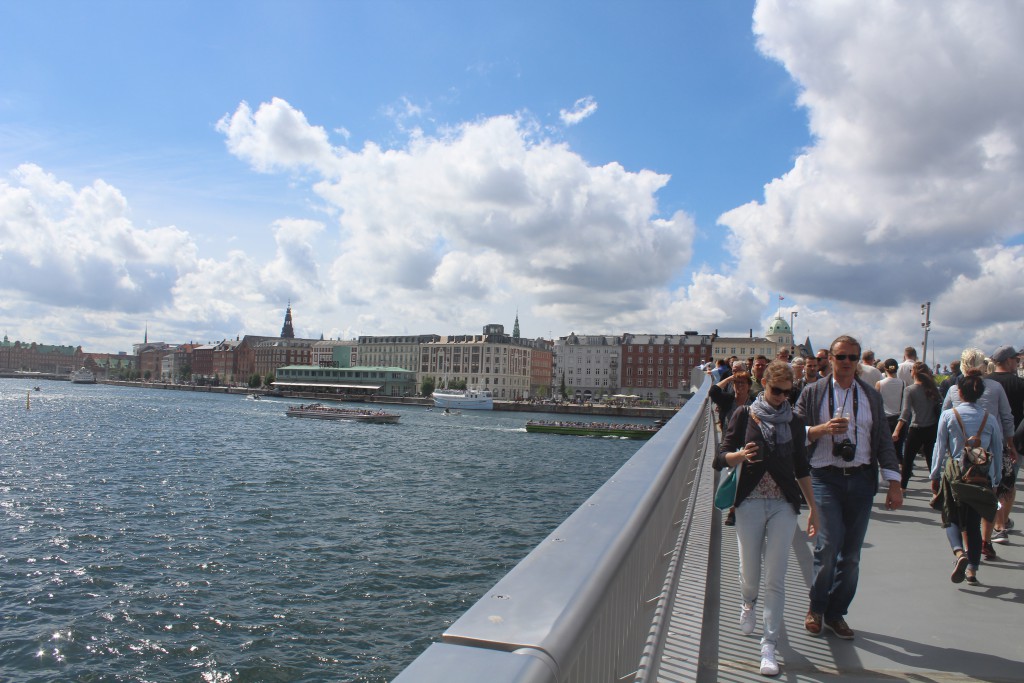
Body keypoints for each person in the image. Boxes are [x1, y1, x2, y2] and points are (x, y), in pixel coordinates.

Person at [795, 335, 902, 640]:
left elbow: (882, 440)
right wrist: (820, 430)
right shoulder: (814, 392)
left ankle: (836, 612)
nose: (846, 363)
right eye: (841, 357)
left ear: (858, 362)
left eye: (852, 358)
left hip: (860, 478)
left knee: (851, 554)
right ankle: (816, 606)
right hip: (825, 476)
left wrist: (894, 482)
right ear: (830, 358)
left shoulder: (870, 395)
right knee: (828, 546)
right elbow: (795, 429)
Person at [716, 361, 819, 676]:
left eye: (787, 393)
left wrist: (813, 507)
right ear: (764, 384)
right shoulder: (744, 414)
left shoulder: (794, 420)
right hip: (748, 502)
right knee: (750, 571)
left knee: (776, 575)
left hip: (783, 505)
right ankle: (748, 601)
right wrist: (738, 457)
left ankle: (769, 644)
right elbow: (720, 457)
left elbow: (801, 467)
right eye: (776, 391)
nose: (781, 398)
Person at [941, 348, 1015, 560]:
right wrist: (1009, 444)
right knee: (989, 497)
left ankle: (966, 546)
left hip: (960, 456)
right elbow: (1006, 418)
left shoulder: (955, 389)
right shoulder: (995, 387)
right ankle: (985, 541)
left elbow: (943, 416)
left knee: (962, 499)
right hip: (989, 453)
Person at [930, 375, 1003, 585]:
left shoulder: (949, 415)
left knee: (950, 515)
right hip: (980, 473)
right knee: (973, 522)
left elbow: (939, 446)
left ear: (959, 393)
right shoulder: (989, 418)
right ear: (981, 394)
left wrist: (934, 474)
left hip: (955, 471)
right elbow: (996, 449)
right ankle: (972, 569)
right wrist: (995, 479)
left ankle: (958, 552)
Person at [987, 345, 1022, 543]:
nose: (1017, 363)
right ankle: (1003, 521)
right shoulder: (1020, 384)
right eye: (1016, 360)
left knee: (992, 483)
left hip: (988, 440)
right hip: (1014, 440)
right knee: (1008, 485)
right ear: (1009, 360)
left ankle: (992, 520)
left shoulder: (986, 382)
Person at [893, 362, 942, 490]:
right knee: (931, 459)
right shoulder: (933, 388)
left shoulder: (910, 389)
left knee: (908, 460)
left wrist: (897, 430)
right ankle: (936, 489)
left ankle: (902, 488)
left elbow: (906, 412)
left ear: (913, 373)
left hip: (916, 428)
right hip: (932, 428)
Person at [876, 358, 907, 461]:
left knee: (885, 450)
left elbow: (876, 403)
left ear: (885, 369)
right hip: (899, 419)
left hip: (885, 420)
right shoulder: (903, 383)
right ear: (896, 369)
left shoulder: (880, 383)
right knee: (898, 450)